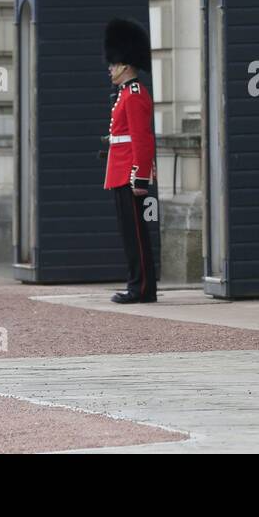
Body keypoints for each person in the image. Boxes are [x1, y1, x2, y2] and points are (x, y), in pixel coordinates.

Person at [103, 19, 157, 304]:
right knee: (130, 234)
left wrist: (140, 176)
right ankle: (138, 284)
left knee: (136, 234)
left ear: (125, 64)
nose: (110, 68)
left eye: (113, 64)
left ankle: (142, 287)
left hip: (129, 173)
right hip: (121, 170)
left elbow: (142, 138)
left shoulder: (134, 95)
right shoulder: (125, 94)